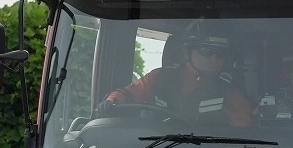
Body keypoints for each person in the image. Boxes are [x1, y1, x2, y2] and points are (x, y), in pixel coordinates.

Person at [99, 26, 254, 127]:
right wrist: (112, 101)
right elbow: (128, 94)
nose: (215, 59)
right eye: (207, 52)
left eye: (220, 54)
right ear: (187, 53)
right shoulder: (159, 76)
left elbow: (241, 133)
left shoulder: (229, 89)